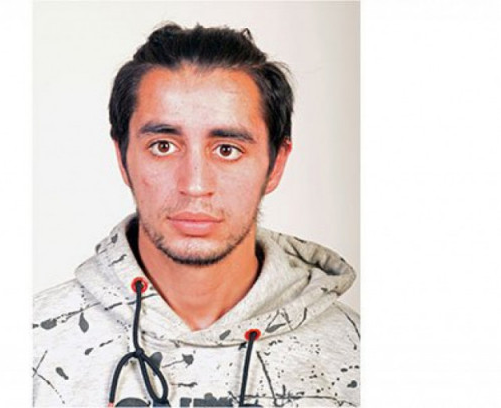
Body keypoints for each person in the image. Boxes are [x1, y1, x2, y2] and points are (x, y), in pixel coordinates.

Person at [33, 23, 359, 407]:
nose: (194, 185)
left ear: (275, 165)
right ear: (123, 158)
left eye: (227, 149)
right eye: (163, 146)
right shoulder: (34, 347)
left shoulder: (357, 354)